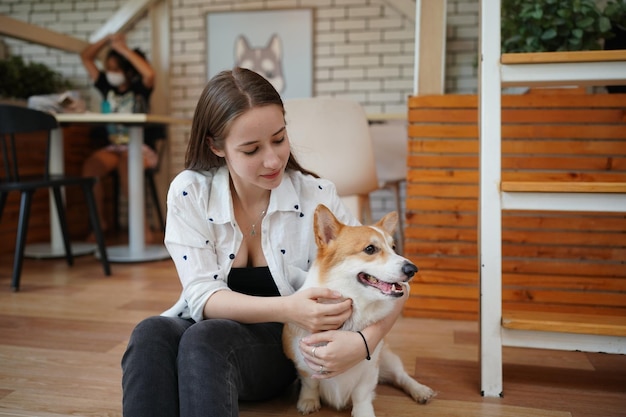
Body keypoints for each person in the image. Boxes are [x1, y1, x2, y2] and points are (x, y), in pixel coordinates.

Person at [120, 67, 409, 417]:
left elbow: (394, 282)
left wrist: (364, 342)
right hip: (222, 326)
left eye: (279, 138)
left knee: (205, 339)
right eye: (251, 149)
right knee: (150, 332)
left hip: (285, 345)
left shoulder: (316, 195)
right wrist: (290, 306)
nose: (272, 159)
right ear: (216, 146)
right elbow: (200, 296)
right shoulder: (190, 191)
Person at [80, 33, 162, 241]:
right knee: (90, 168)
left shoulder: (139, 90)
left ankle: (142, 228)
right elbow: (86, 58)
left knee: (128, 163)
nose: (110, 73)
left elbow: (149, 73)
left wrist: (123, 49)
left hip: (140, 148)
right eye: (108, 69)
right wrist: (107, 40)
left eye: (116, 69)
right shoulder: (106, 88)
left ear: (127, 70)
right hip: (114, 148)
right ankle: (98, 224)